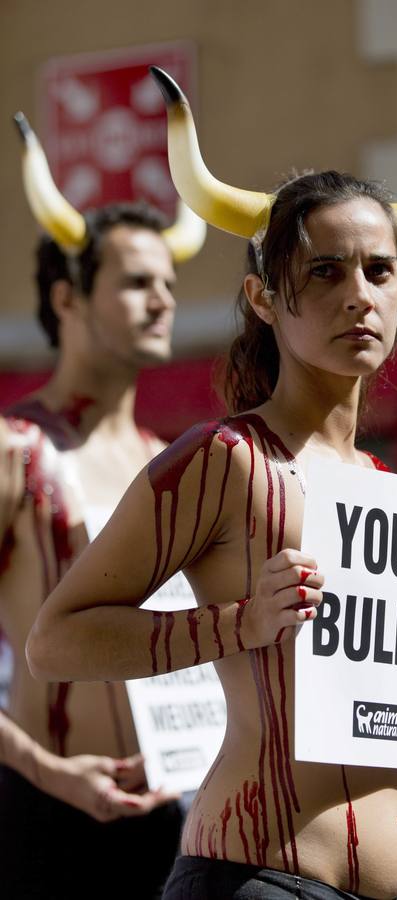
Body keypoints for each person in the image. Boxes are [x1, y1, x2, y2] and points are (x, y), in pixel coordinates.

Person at [27, 69, 397, 900]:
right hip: (253, 878)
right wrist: (237, 622)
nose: (359, 295)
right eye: (324, 272)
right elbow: (55, 642)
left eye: (379, 271)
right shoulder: (223, 458)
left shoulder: (388, 491)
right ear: (262, 296)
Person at [0, 113, 204, 899]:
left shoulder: (179, 463)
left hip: (172, 819)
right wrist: (47, 770)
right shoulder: (17, 449)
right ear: (69, 296)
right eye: (136, 281)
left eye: (170, 284)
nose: (163, 301)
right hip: (43, 820)